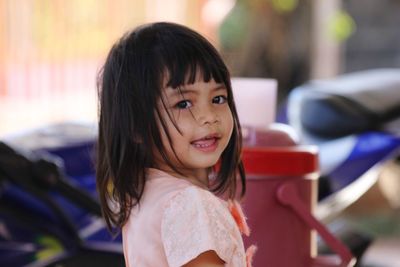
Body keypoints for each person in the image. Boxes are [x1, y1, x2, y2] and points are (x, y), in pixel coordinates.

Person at [96, 22, 256, 267]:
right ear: (136, 126)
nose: (209, 116)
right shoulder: (189, 204)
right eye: (184, 104)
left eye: (218, 98)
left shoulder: (143, 195)